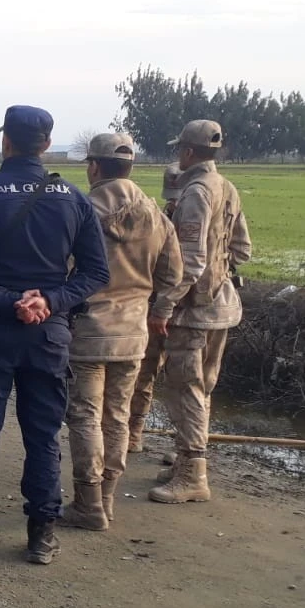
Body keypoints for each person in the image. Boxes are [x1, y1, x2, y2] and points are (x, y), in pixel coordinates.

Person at [0, 105, 110, 566]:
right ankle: (42, 536)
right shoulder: (73, 199)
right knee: (43, 435)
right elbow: (96, 272)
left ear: (5, 142)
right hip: (48, 335)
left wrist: (5, 300)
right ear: (48, 144)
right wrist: (48, 302)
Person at [61, 133, 184, 530]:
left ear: (94, 167)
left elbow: (58, 268)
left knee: (84, 416)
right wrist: (157, 308)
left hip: (88, 329)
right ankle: (108, 499)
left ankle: (87, 502)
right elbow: (174, 275)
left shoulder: (80, 211)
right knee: (117, 417)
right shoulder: (156, 215)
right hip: (133, 334)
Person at [150, 120, 252, 503]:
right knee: (203, 385)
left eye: (180, 149)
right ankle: (186, 459)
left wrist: (164, 304)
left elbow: (189, 263)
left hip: (195, 311)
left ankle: (193, 472)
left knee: (186, 387)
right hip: (222, 304)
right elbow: (242, 249)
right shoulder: (227, 188)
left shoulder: (195, 192)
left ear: (188, 152)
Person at [126, 163, 187, 453]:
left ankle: (181, 450)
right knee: (146, 372)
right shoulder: (160, 217)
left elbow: (177, 272)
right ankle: (134, 433)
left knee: (179, 381)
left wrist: (162, 307)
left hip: (169, 308)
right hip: (173, 307)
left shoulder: (166, 218)